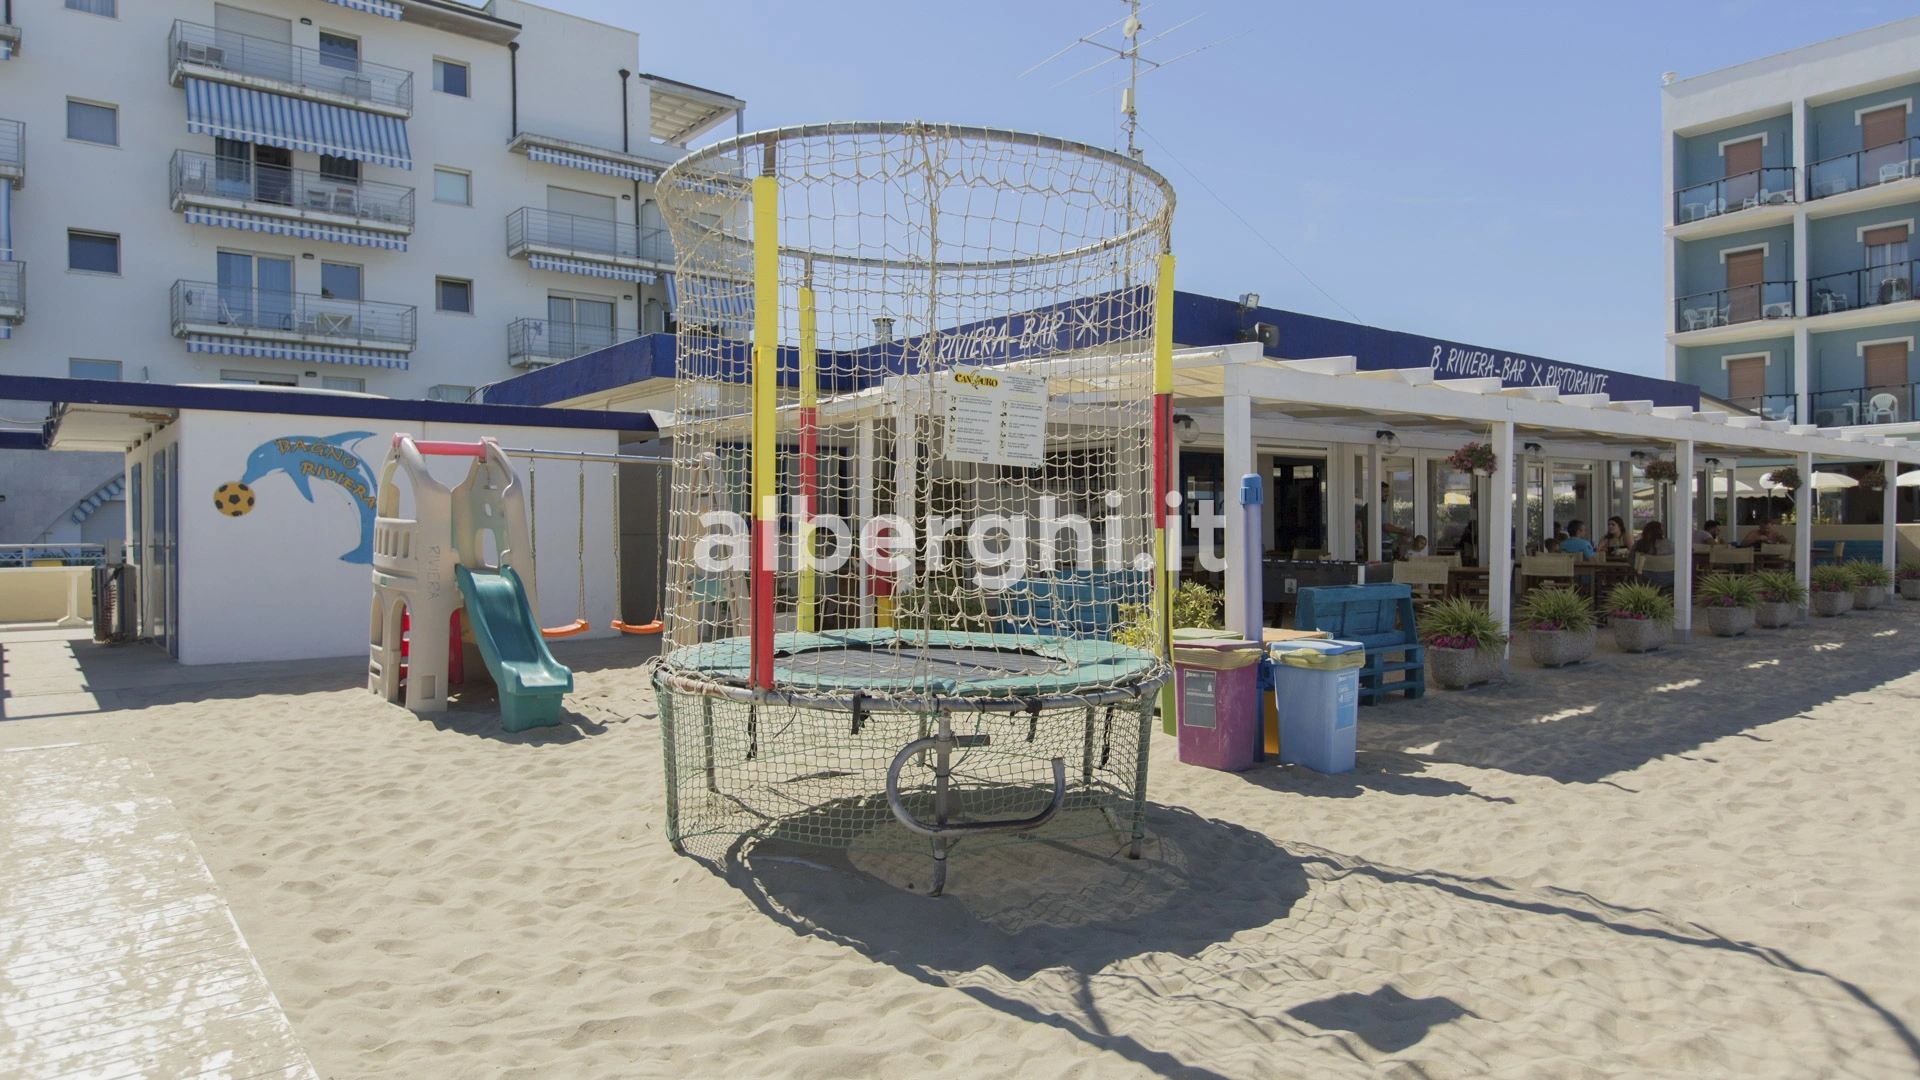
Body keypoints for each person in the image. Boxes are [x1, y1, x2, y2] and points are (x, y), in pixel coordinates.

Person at [1634, 520, 1676, 586]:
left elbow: (1632, 561)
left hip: (1646, 580)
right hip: (1669, 579)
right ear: (1660, 531)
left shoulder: (1639, 544)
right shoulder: (1670, 544)